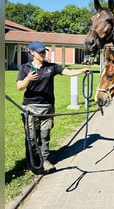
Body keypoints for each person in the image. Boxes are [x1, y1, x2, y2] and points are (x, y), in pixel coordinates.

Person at [17, 41, 89, 174]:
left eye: (44, 51)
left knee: (45, 136)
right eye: (40, 52)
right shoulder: (25, 68)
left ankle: (45, 160)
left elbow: (68, 72)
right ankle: (32, 161)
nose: (43, 54)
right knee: (32, 137)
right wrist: (28, 78)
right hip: (30, 108)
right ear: (31, 52)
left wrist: (82, 70)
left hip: (47, 108)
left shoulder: (51, 67)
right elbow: (19, 87)